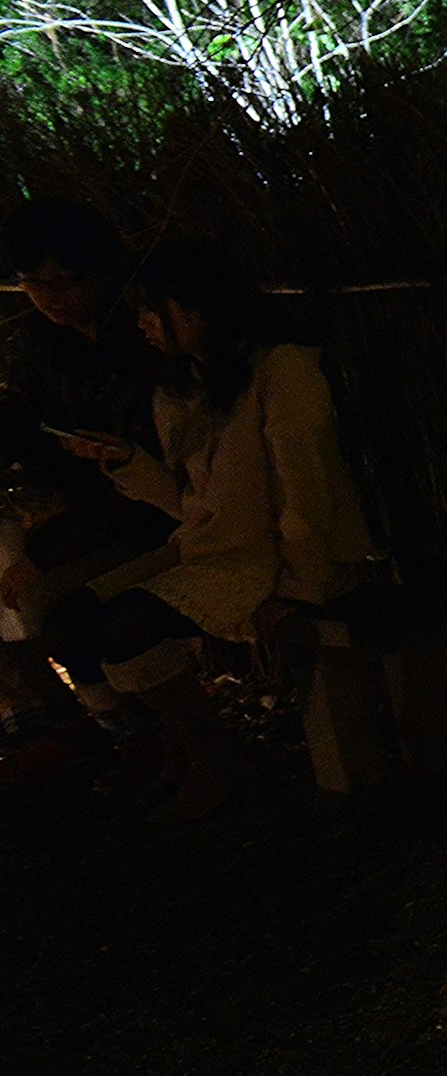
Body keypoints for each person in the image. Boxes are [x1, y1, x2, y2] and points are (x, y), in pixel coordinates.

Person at [35, 238, 373, 817]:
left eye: (155, 310)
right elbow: (193, 506)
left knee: (122, 628)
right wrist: (129, 465)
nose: (143, 326)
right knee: (67, 627)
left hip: (267, 558)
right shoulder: (185, 388)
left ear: (197, 311)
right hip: (210, 550)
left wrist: (298, 585)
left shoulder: (281, 370)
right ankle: (197, 753)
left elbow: (306, 489)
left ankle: (219, 763)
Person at [0, 197, 163, 768]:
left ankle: (147, 738)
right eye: (33, 282)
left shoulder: (144, 340)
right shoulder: (43, 343)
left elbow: (145, 479)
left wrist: (48, 547)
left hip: (151, 512)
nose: (50, 296)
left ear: (102, 272)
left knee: (52, 606)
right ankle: (92, 730)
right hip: (90, 510)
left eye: (65, 279)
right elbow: (27, 432)